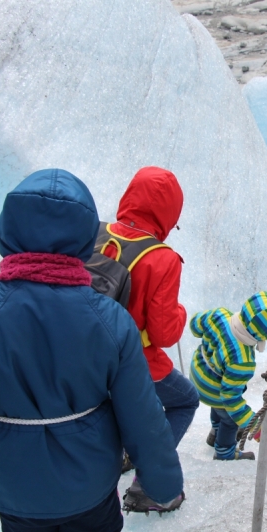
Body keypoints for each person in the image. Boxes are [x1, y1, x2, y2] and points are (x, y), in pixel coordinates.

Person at [0, 169, 184, 532]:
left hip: (9, 486)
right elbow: (142, 417)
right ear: (84, 237)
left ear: (7, 228)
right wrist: (164, 485)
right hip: (89, 485)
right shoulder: (110, 319)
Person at [101, 166, 199, 451]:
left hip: (83, 351)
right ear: (169, 215)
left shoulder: (96, 233)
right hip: (131, 361)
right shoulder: (163, 259)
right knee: (185, 401)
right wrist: (180, 312)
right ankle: (148, 485)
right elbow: (163, 334)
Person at [190, 292, 267, 460]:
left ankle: (215, 434)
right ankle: (224, 453)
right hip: (212, 390)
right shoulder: (242, 360)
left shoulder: (220, 315)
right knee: (230, 418)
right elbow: (230, 399)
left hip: (196, 374)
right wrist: (253, 425)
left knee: (219, 406)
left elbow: (195, 324)